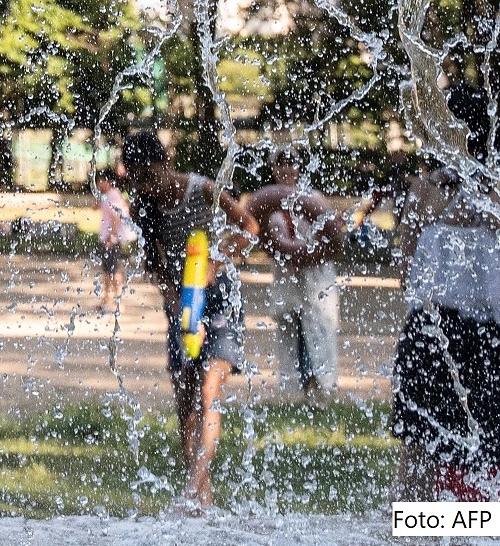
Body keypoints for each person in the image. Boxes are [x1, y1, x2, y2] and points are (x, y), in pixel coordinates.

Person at [119, 129, 260, 508]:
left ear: (167, 162)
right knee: (186, 399)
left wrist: (215, 261)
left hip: (221, 297)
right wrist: (177, 301)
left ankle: (194, 486)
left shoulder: (203, 189)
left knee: (210, 386)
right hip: (184, 302)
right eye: (138, 179)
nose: (147, 186)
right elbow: (156, 268)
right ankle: (203, 496)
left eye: (150, 175)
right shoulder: (143, 208)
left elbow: (249, 227)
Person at [390, 78, 500, 501]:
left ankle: (416, 530)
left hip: (438, 331)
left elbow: (405, 268)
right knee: (499, 458)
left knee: (421, 454)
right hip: (491, 335)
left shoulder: (427, 192)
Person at [243, 145, 347, 396]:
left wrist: (306, 252)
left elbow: (332, 237)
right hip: (286, 276)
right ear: (273, 168)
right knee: (291, 325)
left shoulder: (314, 199)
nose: (286, 168)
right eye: (281, 164)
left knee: (319, 325)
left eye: (291, 163)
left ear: (299, 167)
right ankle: (294, 386)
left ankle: (321, 384)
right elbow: (262, 236)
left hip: (316, 276)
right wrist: (288, 251)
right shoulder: (267, 202)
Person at [93, 168, 138, 314]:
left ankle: (118, 301)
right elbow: (95, 208)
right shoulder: (108, 195)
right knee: (107, 271)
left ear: (108, 181)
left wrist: (111, 237)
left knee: (113, 270)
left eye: (101, 181)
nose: (99, 183)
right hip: (106, 237)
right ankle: (106, 300)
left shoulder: (113, 195)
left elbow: (116, 217)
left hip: (110, 239)